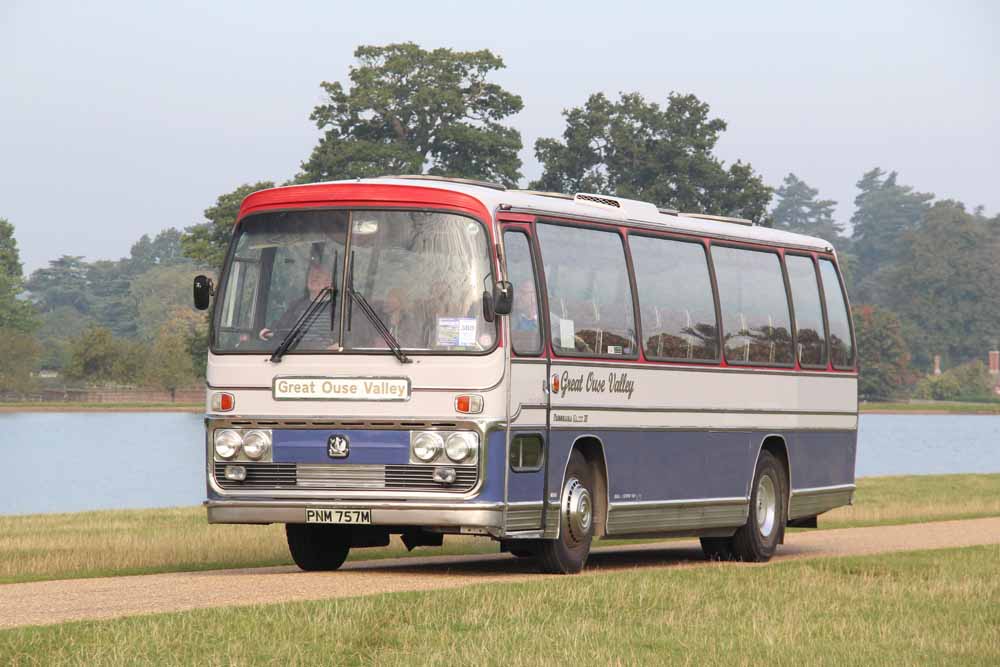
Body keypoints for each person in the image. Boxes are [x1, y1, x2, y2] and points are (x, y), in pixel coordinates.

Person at [259, 251, 335, 345]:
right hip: (296, 353)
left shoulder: (339, 309)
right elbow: (280, 328)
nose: (313, 278)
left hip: (326, 356)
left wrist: (337, 345)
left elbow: (349, 339)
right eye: (311, 274)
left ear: (329, 281)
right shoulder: (296, 306)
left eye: (318, 276)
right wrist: (269, 331)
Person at [511, 281, 540, 351]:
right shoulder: (509, 321)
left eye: (523, 293)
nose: (517, 297)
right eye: (518, 293)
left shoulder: (553, 323)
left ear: (534, 296)